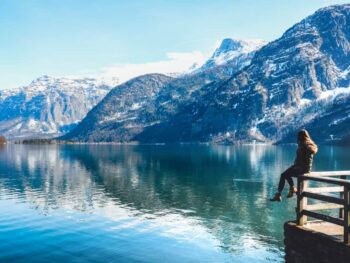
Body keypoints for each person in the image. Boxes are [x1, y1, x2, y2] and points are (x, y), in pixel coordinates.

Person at [270, 129, 318, 202]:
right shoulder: (308, 145)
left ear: (300, 137)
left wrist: (296, 165)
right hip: (304, 168)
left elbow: (303, 159)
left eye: (298, 137)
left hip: (301, 168)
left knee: (284, 175)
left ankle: (281, 193)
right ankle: (290, 189)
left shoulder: (304, 145)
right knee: (285, 174)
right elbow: (306, 159)